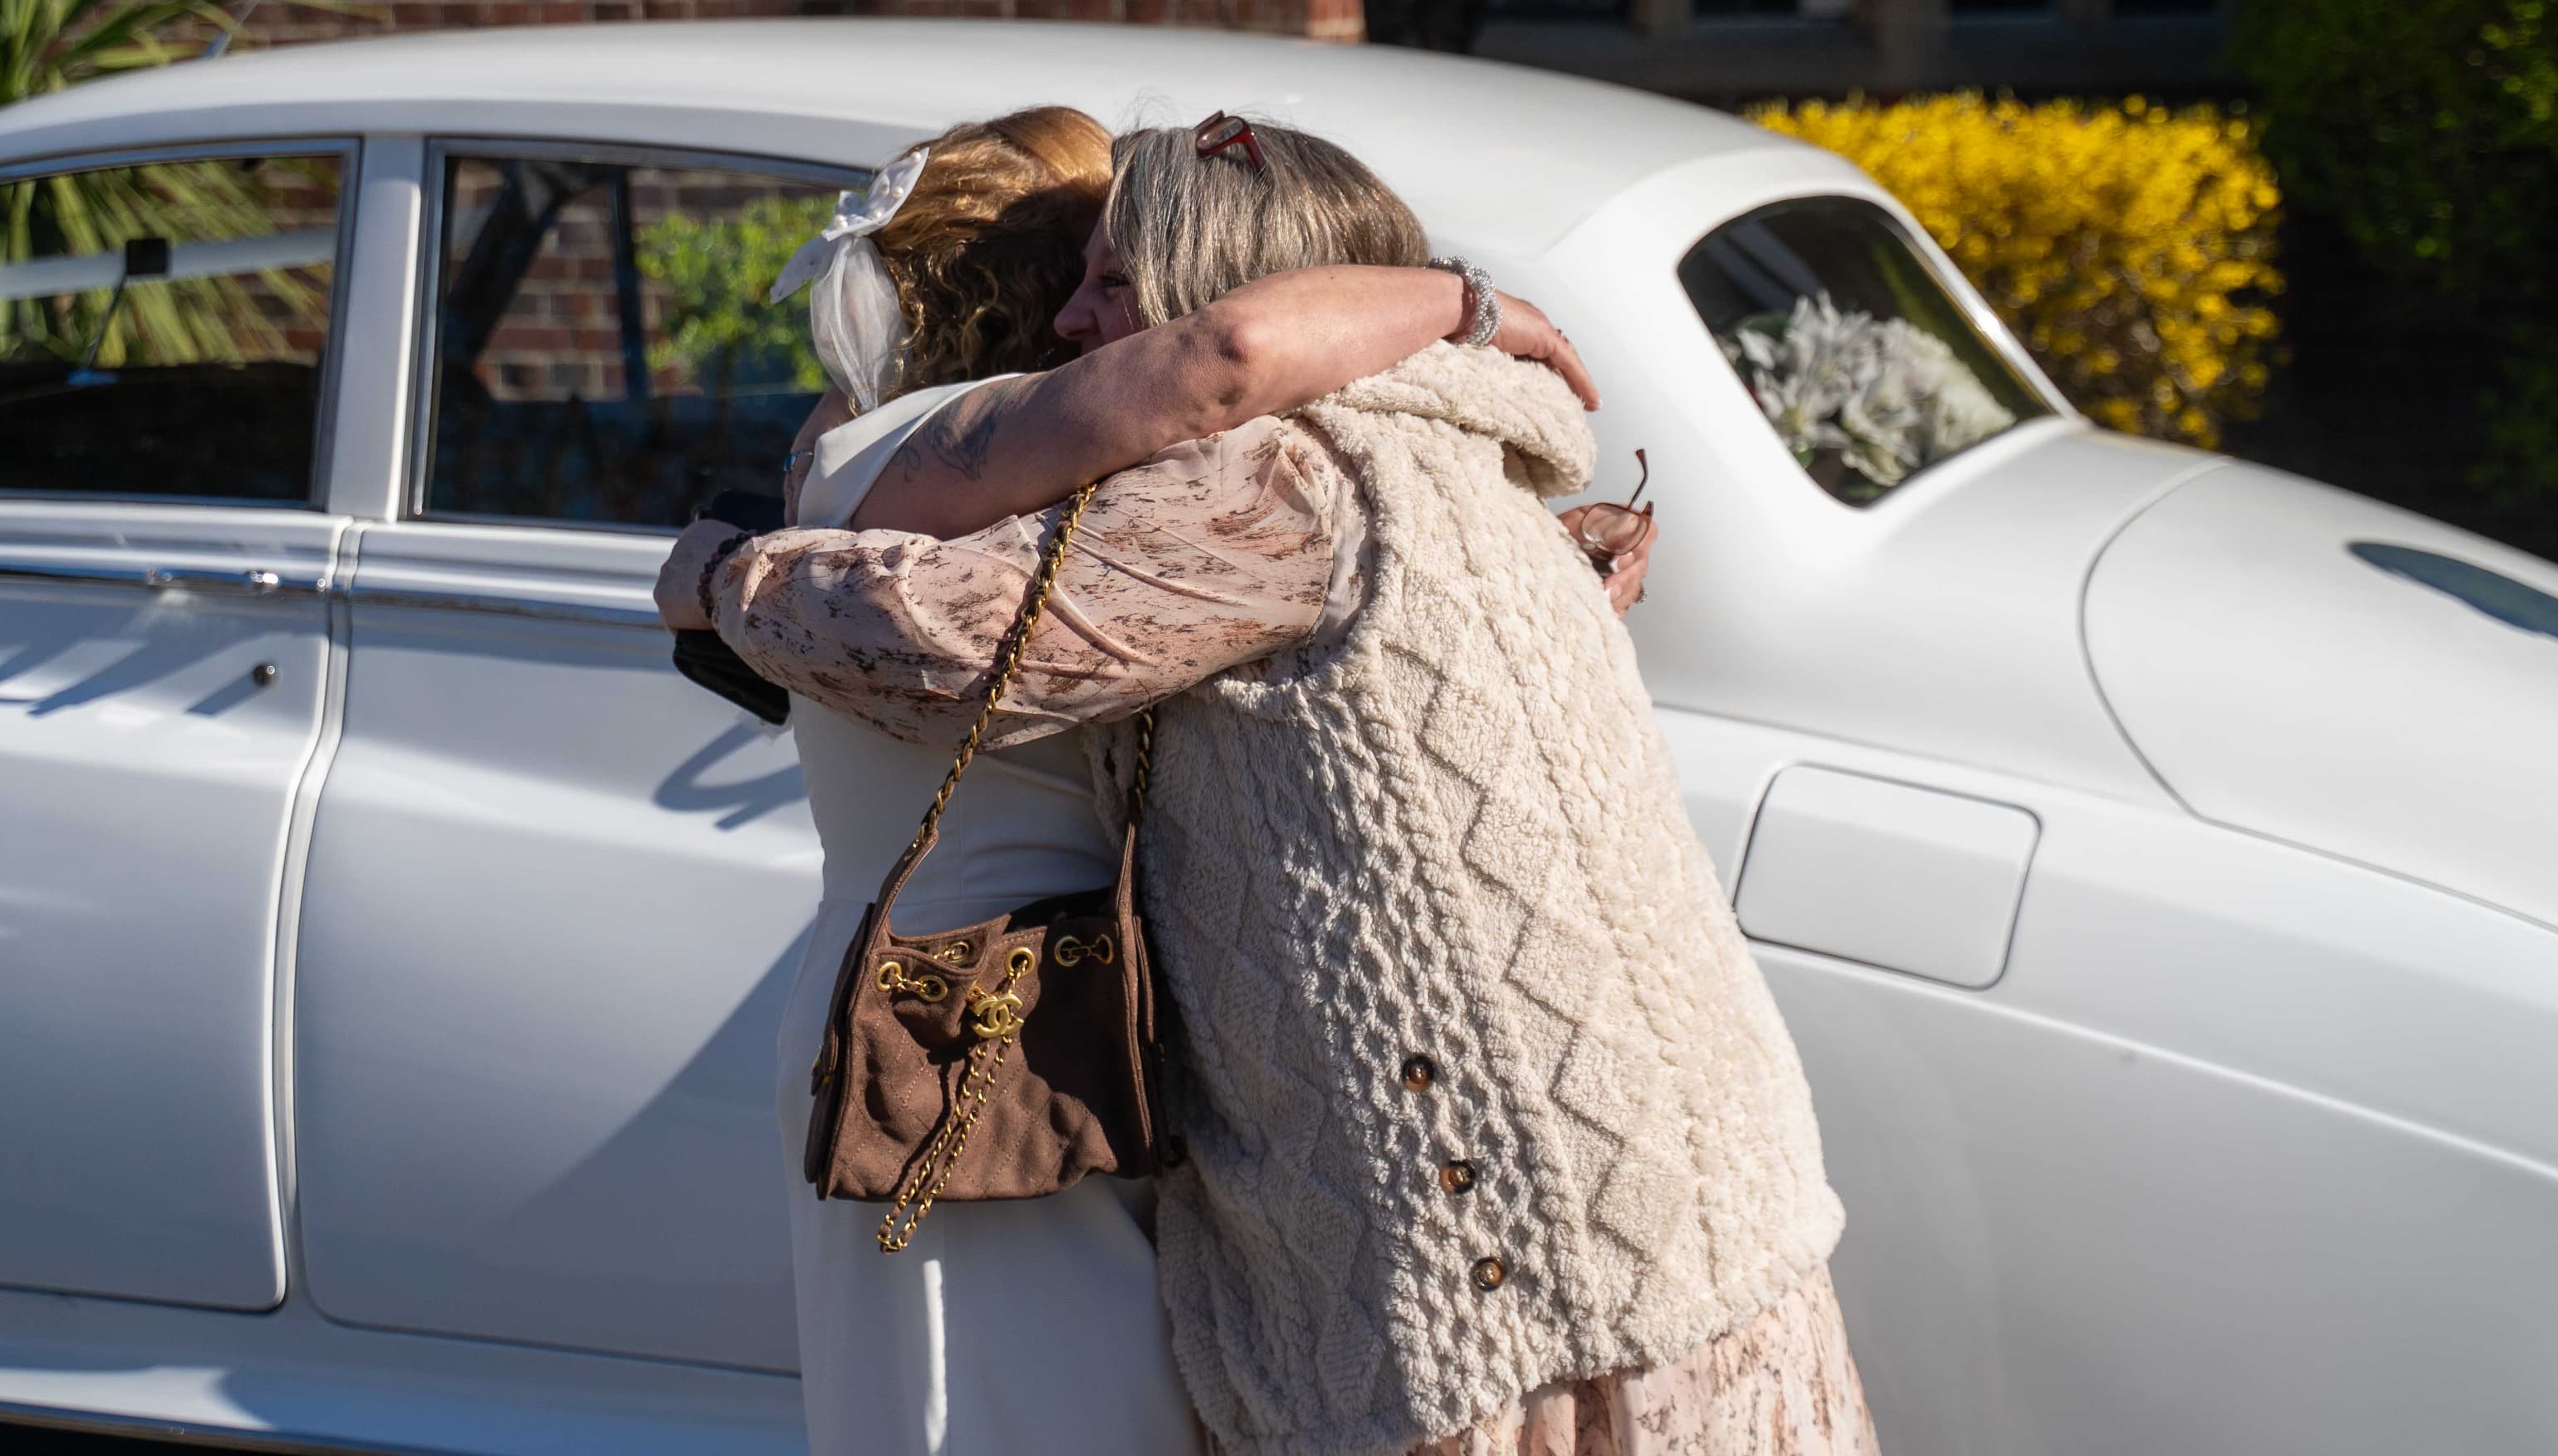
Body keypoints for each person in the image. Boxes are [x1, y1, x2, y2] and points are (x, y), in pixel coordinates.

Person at [661, 115, 1871, 1456]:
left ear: (1218, 290)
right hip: (1697, 1202)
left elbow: (943, 642)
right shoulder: (1446, 438)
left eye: (1113, 284)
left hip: (1538, 1266)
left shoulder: (1272, 477)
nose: (1072, 325)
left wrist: (724, 575)